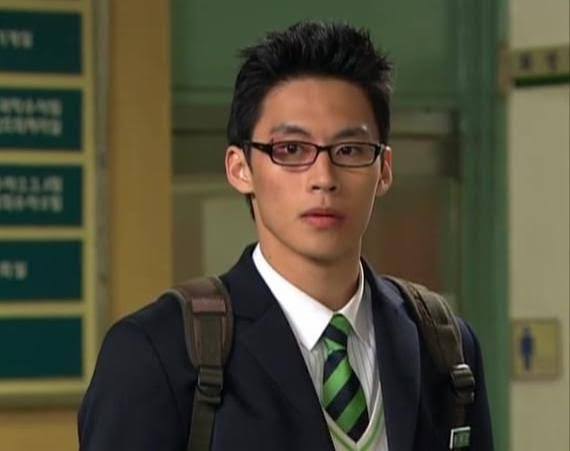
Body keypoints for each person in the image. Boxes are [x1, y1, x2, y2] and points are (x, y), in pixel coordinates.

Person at [78, 21, 494, 451]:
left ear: (384, 169)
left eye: (349, 150)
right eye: (291, 150)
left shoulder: (443, 346)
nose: (323, 178)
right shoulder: (158, 354)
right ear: (240, 168)